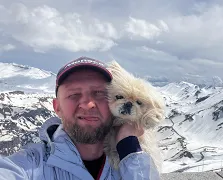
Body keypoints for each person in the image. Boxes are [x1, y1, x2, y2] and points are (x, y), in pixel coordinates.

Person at [0, 56, 160, 180]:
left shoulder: (131, 160)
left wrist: (128, 146)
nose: (88, 104)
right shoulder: (31, 164)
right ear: (57, 107)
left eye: (99, 93)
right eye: (74, 94)